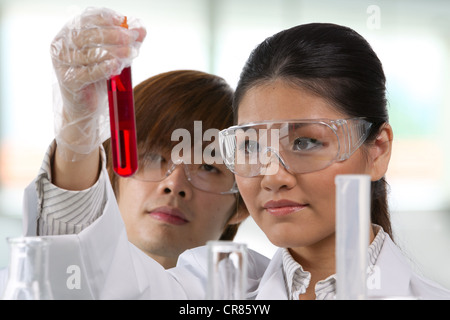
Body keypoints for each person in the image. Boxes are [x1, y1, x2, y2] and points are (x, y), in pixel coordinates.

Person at [5, 11, 450, 300]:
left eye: (306, 142)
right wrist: (77, 135)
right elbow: (81, 284)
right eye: (252, 146)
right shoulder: (211, 291)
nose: (272, 175)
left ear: (377, 150)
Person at [23, 8, 248, 269]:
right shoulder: (51, 280)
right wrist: (78, 125)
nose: (174, 185)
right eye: (154, 157)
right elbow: (60, 256)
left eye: (209, 167)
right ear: (112, 174)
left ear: (242, 204)